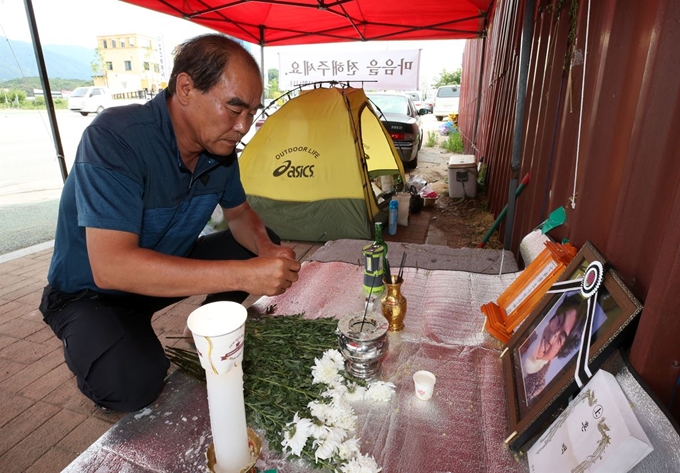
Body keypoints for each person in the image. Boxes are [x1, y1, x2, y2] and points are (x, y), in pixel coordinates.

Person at [38, 34, 301, 413]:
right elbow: (113, 266)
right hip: (92, 293)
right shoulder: (116, 138)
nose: (244, 126)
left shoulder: (220, 150)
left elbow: (240, 213)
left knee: (261, 242)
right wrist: (245, 276)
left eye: (252, 112)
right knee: (132, 385)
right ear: (186, 88)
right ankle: (105, 336)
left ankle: (206, 329)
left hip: (157, 274)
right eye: (234, 108)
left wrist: (266, 251)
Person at [520, 294, 587, 403]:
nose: (552, 337)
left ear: (561, 352)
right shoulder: (526, 332)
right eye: (559, 321)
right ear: (552, 318)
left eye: (560, 339)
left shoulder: (538, 387)